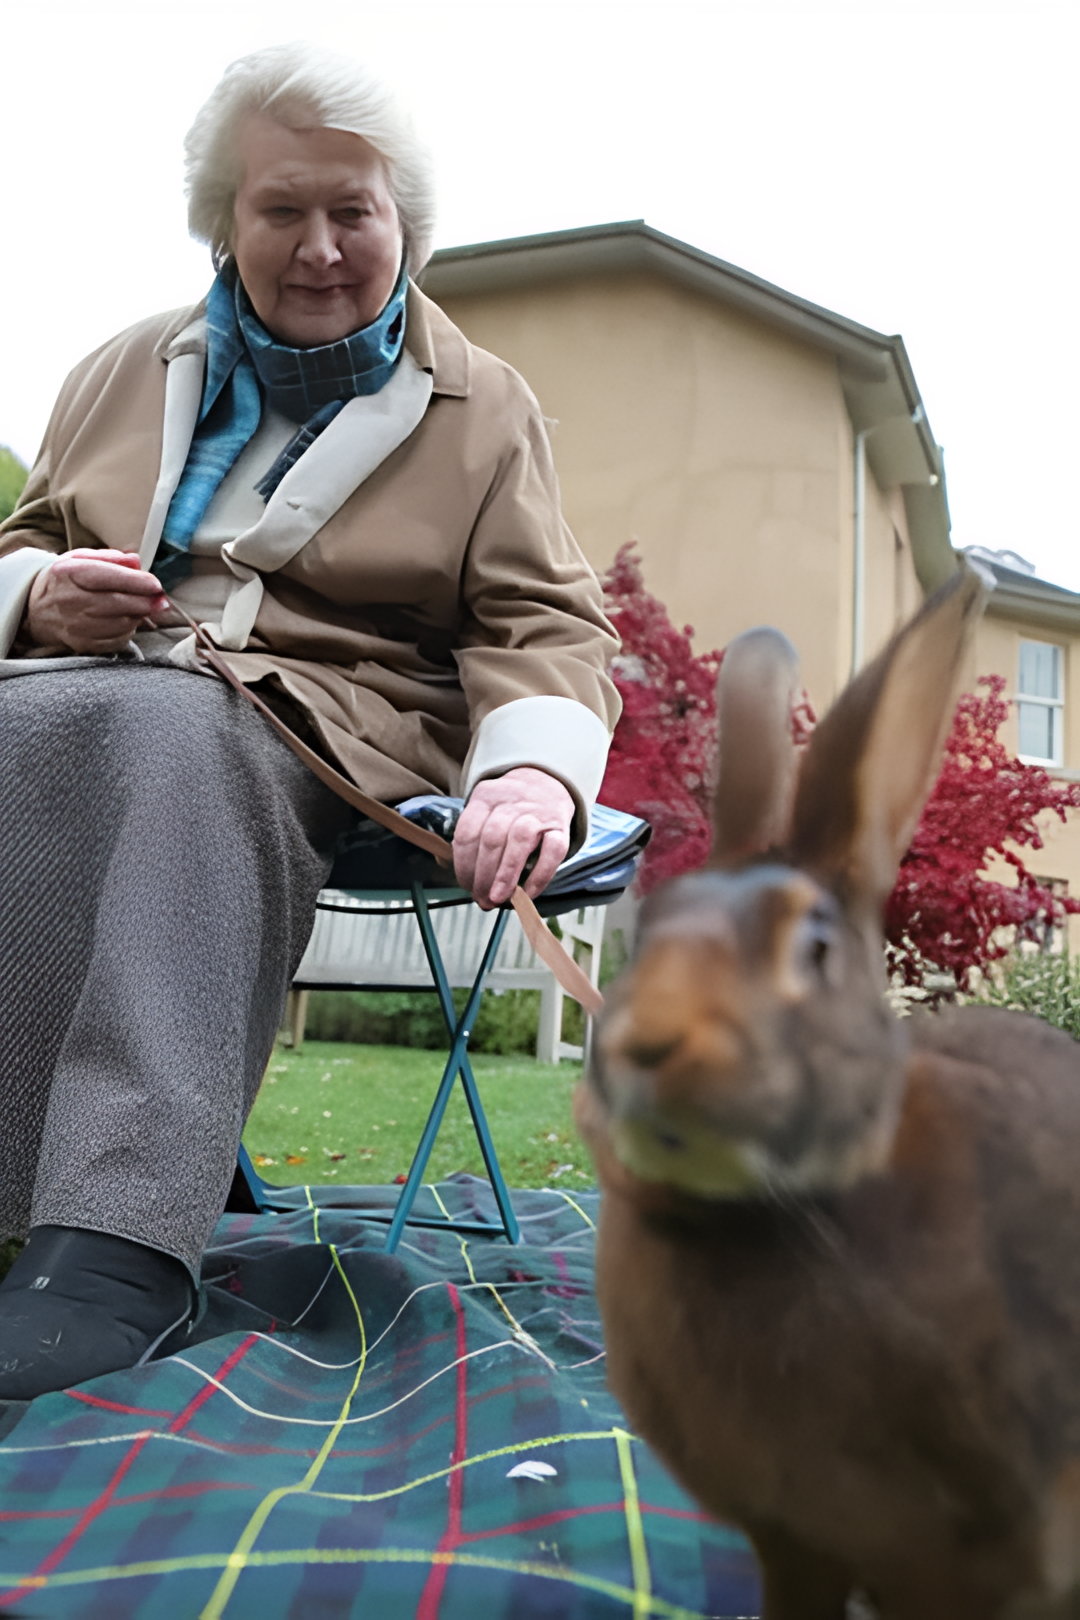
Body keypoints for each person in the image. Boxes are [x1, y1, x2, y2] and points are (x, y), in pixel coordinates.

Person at [0, 44, 619, 1403]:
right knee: (64, 732)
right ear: (225, 220)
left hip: (314, 721)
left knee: (169, 738)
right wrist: (35, 597)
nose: (323, 245)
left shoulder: (486, 407)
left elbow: (547, 629)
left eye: (356, 211)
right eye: (284, 209)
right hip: (83, 692)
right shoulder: (114, 371)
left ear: (408, 226)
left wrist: (528, 778)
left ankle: (112, 1236)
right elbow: (27, 542)